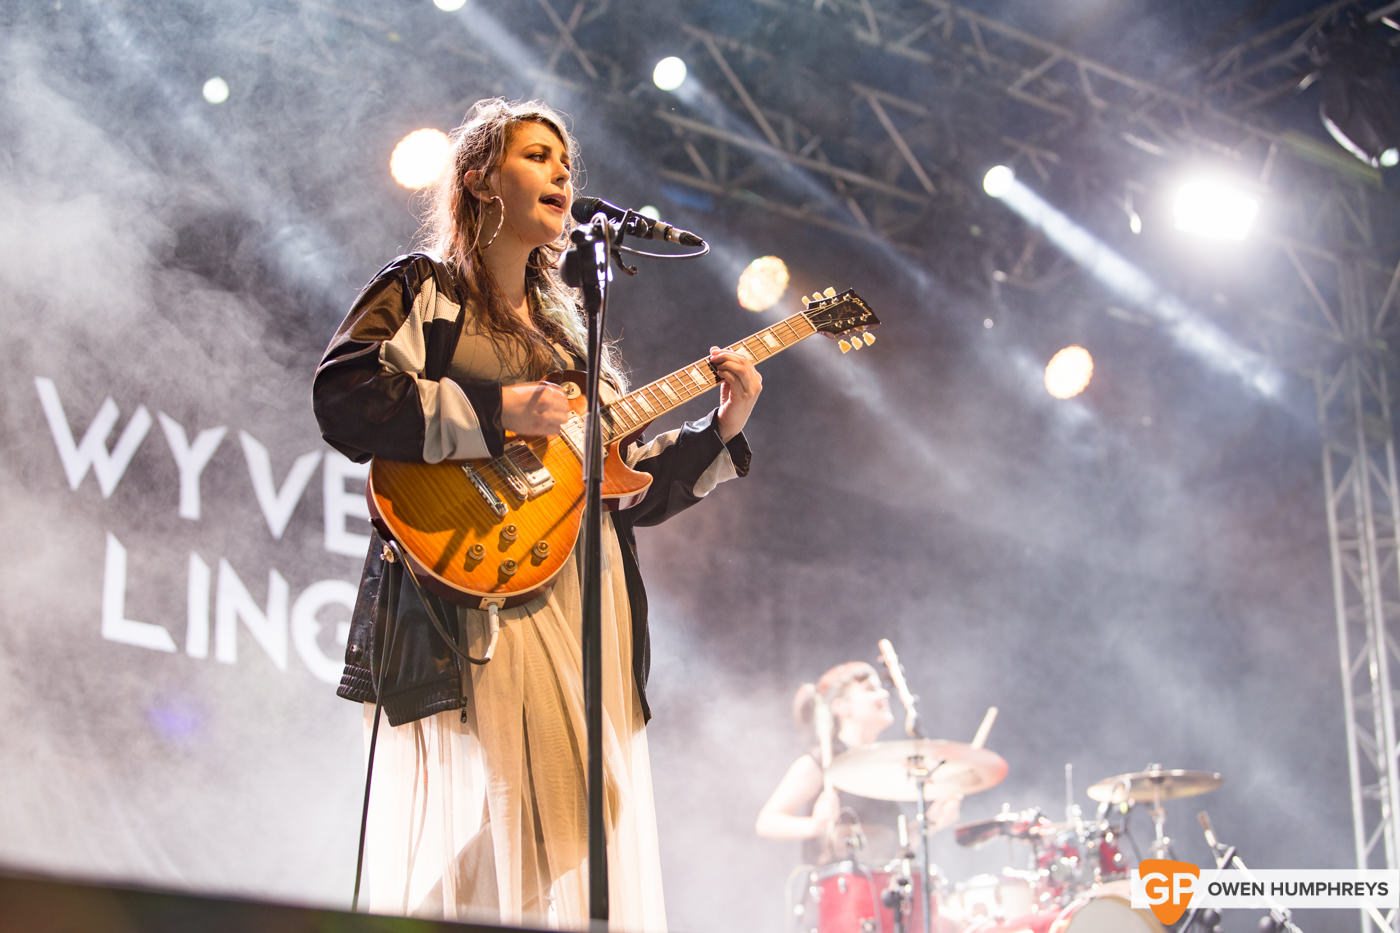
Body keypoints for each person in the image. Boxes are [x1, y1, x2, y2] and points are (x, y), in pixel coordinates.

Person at [313, 97, 760, 930]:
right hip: (487, 578)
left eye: (566, 160)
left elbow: (631, 491)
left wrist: (721, 427)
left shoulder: (571, 340)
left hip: (581, 583)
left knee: (567, 820)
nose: (562, 171)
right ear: (480, 180)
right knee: (568, 814)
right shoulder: (427, 291)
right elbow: (348, 397)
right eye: (536, 155)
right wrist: (501, 409)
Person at [756, 662, 962, 926]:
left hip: (885, 905)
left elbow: (887, 851)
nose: (884, 695)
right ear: (841, 707)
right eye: (870, 689)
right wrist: (815, 825)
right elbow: (767, 822)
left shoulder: (883, 768)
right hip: (840, 908)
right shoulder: (822, 762)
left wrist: (931, 823)